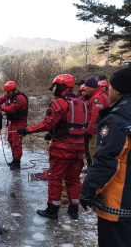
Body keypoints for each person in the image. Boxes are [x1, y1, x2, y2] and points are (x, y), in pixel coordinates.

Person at [16, 74, 87, 219]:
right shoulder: (81, 102)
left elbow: (48, 123)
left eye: (54, 86)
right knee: (74, 179)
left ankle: (52, 209)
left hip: (62, 148)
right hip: (79, 147)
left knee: (55, 177)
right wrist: (53, 132)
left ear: (61, 87)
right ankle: (74, 209)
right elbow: (72, 124)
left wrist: (28, 130)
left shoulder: (59, 103)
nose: (52, 89)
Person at [80, 67, 131, 247]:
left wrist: (88, 192)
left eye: (109, 87)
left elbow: (106, 161)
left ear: (118, 90)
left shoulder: (117, 120)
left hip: (119, 206)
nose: (107, 91)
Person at [0, 81, 28, 170]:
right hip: (13, 122)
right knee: (10, 139)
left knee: (16, 142)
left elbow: (11, 109)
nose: (7, 94)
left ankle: (17, 162)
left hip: (20, 123)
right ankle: (14, 158)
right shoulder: (9, 95)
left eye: (8, 92)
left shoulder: (20, 98)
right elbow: (1, 99)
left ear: (13, 90)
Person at [84, 77, 109, 170]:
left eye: (87, 86)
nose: (85, 88)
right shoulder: (100, 95)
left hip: (96, 131)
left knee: (93, 150)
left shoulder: (97, 98)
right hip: (102, 129)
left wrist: (89, 131)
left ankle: (97, 170)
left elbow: (95, 116)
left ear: (92, 87)